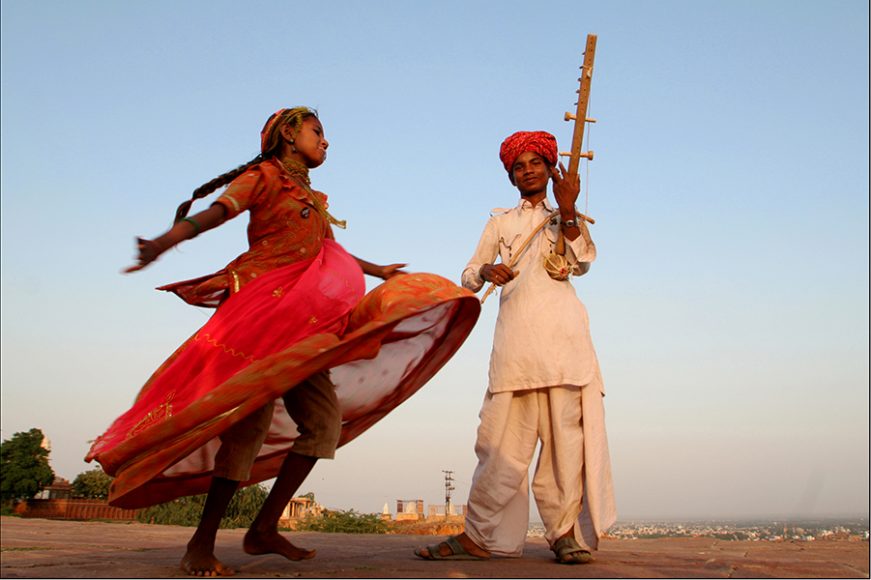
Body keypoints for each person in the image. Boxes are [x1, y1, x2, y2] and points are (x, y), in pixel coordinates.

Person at [86, 107, 480, 576]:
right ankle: (201, 543)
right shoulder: (264, 177)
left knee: (322, 424)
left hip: (305, 327)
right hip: (264, 319)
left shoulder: (311, 197)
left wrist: (377, 271)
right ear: (289, 135)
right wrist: (163, 242)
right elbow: (218, 212)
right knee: (247, 427)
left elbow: (328, 251)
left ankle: (264, 528)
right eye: (318, 132)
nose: (326, 141)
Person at [415, 130, 616, 564]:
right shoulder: (500, 222)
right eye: (518, 166)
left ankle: (564, 535)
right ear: (511, 175)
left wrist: (567, 208)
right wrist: (487, 270)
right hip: (515, 348)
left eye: (535, 163)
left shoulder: (565, 216)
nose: (527, 171)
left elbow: (583, 262)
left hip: (565, 346)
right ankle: (481, 536)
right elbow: (468, 273)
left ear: (549, 168)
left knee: (565, 445)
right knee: (499, 445)